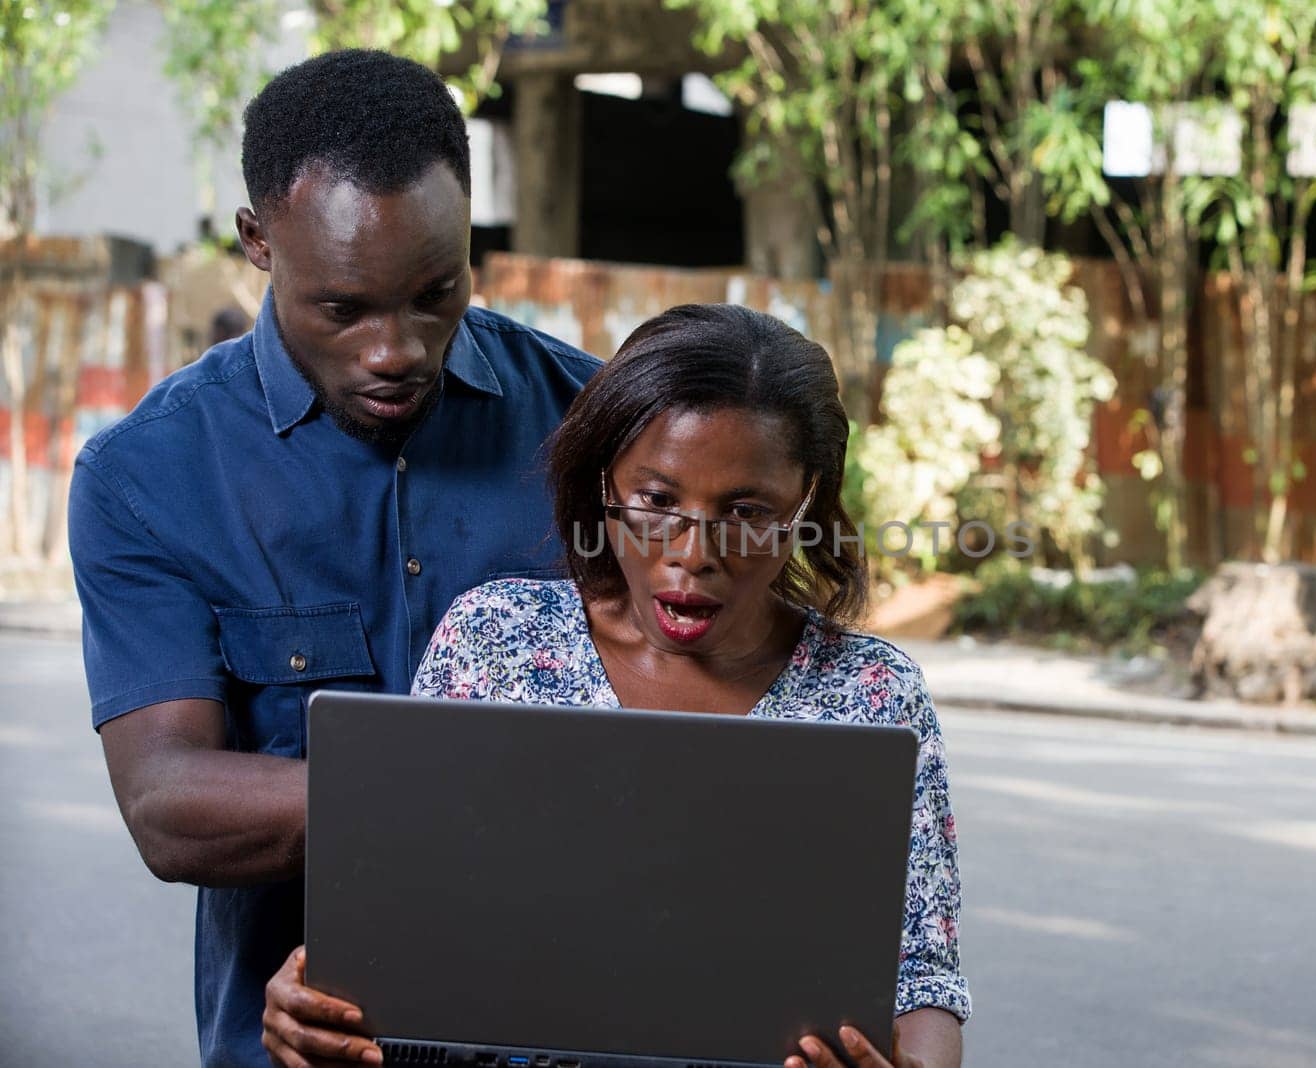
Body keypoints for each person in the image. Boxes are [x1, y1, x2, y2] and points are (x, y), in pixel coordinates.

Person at [261, 303, 971, 1068]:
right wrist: (314, 1009)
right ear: (605, 480)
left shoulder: (873, 692)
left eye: (747, 511)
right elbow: (401, 932)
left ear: (806, 507)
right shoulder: (494, 639)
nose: (692, 553)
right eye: (658, 500)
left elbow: (921, 978)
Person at [67, 50, 598, 1068]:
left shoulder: (603, 428)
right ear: (259, 243)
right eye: (344, 308)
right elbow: (167, 803)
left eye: (434, 293)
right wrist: (482, 791)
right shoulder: (148, 477)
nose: (396, 347)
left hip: (570, 1040)